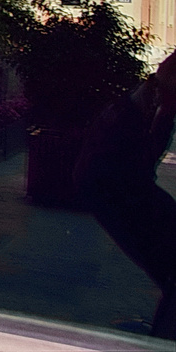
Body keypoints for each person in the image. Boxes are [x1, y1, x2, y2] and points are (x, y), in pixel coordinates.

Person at [77, 53, 176, 339]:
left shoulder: (136, 105)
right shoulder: (132, 115)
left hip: (120, 192)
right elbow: (139, 168)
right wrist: (165, 118)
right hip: (116, 194)